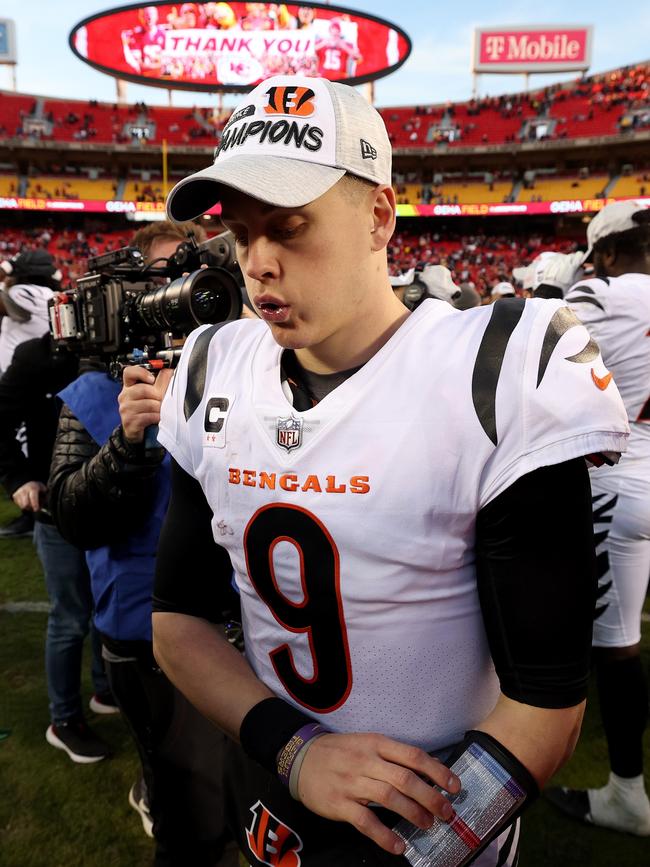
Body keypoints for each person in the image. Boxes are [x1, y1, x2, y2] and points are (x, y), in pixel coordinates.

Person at [152, 74, 629, 867]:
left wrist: (417, 847)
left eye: (290, 226)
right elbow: (177, 620)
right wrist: (296, 751)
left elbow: (547, 703)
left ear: (379, 216)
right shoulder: (212, 367)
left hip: (441, 812)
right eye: (240, 232)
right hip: (276, 790)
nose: (257, 262)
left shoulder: (492, 370)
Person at [48, 220, 238, 864]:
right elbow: (71, 516)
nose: (180, 299)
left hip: (257, 628)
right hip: (147, 631)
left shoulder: (254, 376)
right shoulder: (97, 391)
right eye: (164, 282)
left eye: (193, 282)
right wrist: (126, 448)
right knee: (195, 820)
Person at [546, 201, 650, 836]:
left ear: (606, 253)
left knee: (614, 646)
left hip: (618, 482)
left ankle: (627, 793)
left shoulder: (601, 293)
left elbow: (535, 361)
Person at [0, 332, 117, 763]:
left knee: (108, 604)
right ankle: (63, 719)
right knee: (70, 618)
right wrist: (17, 479)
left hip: (110, 502)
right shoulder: (38, 356)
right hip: (56, 507)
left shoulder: (128, 346)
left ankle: (105, 689)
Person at [0, 249, 62, 538]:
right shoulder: (53, 294)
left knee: (28, 451)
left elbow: (10, 302)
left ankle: (30, 514)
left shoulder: (25, 291)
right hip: (45, 379)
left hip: (26, 378)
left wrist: (6, 275)